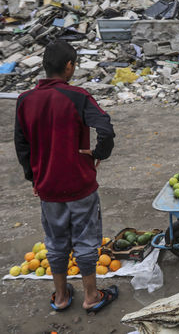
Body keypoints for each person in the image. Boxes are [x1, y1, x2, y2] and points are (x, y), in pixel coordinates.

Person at [14, 39, 118, 313]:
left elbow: (21, 145)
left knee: (55, 242)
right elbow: (105, 128)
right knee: (85, 239)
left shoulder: (25, 100)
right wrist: (98, 153)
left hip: (47, 185)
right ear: (69, 66)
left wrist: (33, 178)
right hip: (79, 183)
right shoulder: (77, 96)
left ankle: (60, 297)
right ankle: (91, 296)